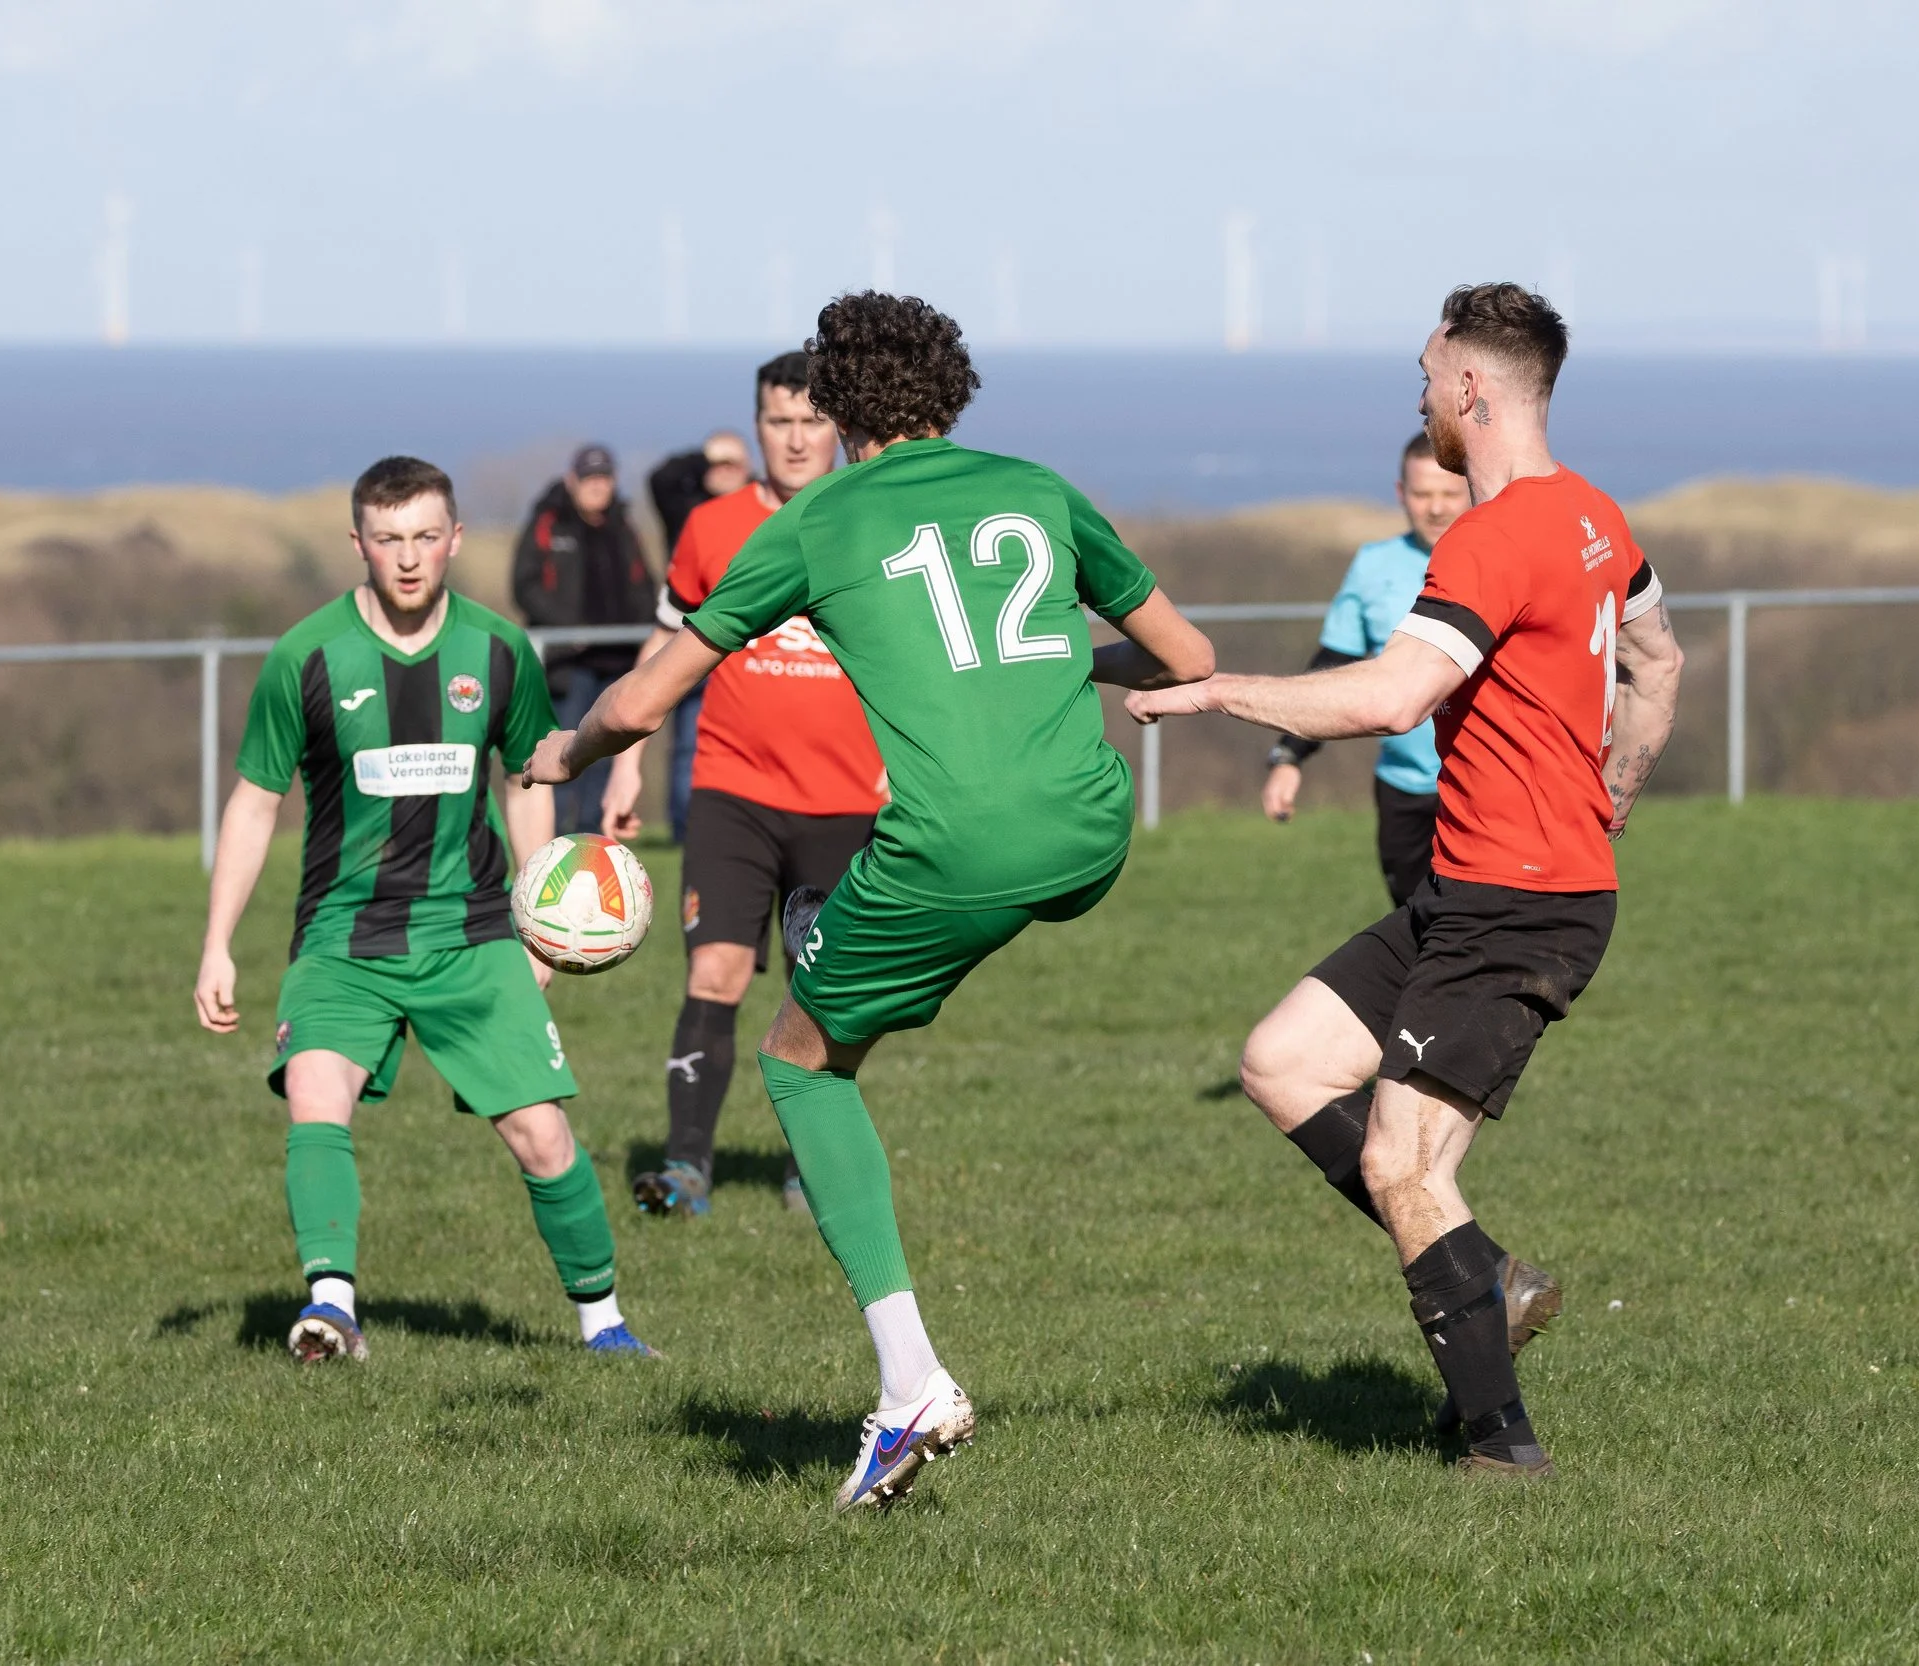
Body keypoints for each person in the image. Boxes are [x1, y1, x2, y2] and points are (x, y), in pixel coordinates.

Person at [524, 293, 1215, 1510]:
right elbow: (1188, 659)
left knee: (800, 1059)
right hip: (1092, 830)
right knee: (856, 962)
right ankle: (846, 944)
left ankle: (910, 1386)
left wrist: (565, 758)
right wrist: (1069, 664)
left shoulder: (820, 520)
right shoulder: (1038, 488)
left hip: (955, 848)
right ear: (953, 392)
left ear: (836, 409)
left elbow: (640, 702)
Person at [1126, 284, 1683, 1478]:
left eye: (1426, 376)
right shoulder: (1592, 516)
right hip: (1468, 887)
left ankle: (1501, 1445)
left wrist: (1223, 693)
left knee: (1400, 1163)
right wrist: (1616, 790)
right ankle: (1486, 1282)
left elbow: (1389, 697)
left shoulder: (1490, 539)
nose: (1421, 397)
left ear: (1470, 387)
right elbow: (1658, 656)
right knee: (1280, 1062)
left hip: (1517, 904)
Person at [197, 455, 654, 1363]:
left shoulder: (497, 650)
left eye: (423, 538)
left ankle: (604, 1324)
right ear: (358, 544)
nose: (407, 558)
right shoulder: (306, 656)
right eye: (387, 539)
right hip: (343, 936)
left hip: (473, 932)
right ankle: (331, 1308)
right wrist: (217, 944)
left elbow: (528, 777)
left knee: (542, 1134)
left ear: (453, 540)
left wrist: (542, 918)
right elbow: (255, 802)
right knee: (313, 1092)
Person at [603, 353, 875, 1220]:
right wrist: (624, 758)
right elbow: (663, 650)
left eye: (811, 421)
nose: (795, 439)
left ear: (839, 426)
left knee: (820, 993)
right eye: (778, 421)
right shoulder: (712, 527)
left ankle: (811, 1168)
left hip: (846, 804)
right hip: (731, 792)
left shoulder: (873, 522)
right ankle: (686, 1169)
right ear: (755, 427)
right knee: (714, 973)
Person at [1261, 433, 1469, 906]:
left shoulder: (1499, 560)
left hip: (1484, 789)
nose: (1435, 507)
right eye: (1422, 494)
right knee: (1413, 934)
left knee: (1478, 941)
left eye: (1448, 493)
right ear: (1401, 494)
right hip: (1402, 791)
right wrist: (1289, 756)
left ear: (1470, 489)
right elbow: (1332, 667)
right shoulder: (1372, 566)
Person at [511, 443, 658, 836]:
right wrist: (568, 630)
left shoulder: (624, 526)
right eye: (590, 478)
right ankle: (554, 842)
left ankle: (595, 845)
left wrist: (647, 632)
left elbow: (645, 585)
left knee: (605, 759)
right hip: (569, 666)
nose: (597, 487)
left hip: (618, 664)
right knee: (560, 752)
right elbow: (524, 585)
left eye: (604, 478)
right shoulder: (549, 521)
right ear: (572, 480)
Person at [646, 431, 753, 842]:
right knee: (688, 742)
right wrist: (706, 456)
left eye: (734, 465)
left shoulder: (764, 509)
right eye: (718, 465)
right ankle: (684, 827)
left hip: (745, 644)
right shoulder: (686, 508)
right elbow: (660, 479)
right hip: (689, 635)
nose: (725, 472)